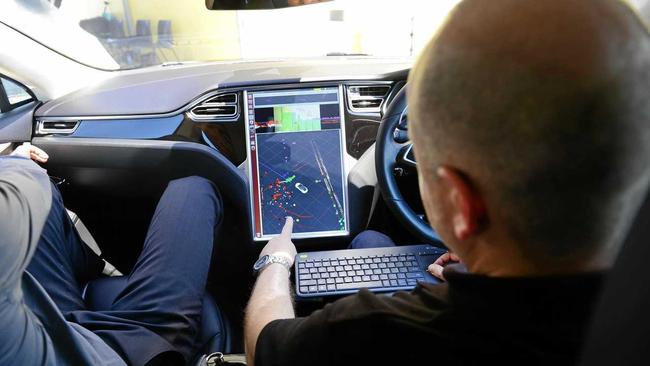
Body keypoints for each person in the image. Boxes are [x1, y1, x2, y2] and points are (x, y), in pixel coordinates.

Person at [244, 0, 650, 365]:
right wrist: (484, 258)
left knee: (368, 241)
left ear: (461, 203)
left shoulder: (381, 331)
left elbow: (263, 343)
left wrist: (278, 260)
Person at [0, 143, 222, 365]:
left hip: (49, 329)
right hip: (123, 354)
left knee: (41, 191)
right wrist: (17, 164)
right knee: (194, 189)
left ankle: (96, 270)